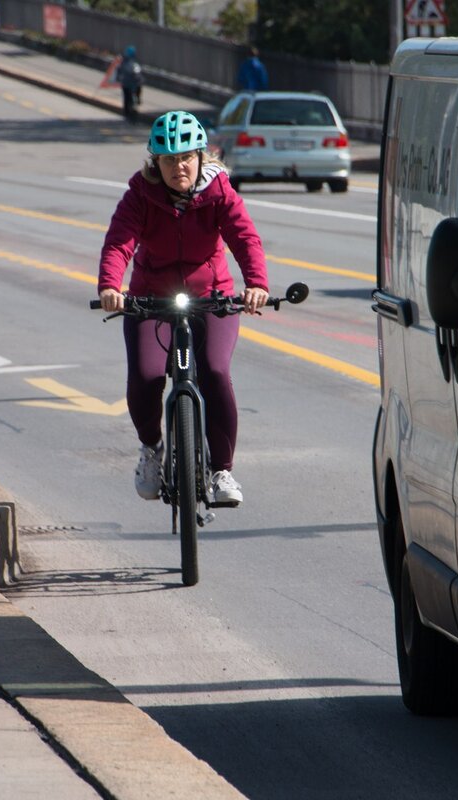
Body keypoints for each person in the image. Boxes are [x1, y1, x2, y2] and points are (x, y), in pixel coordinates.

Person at [97, 110, 269, 506]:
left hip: (212, 297)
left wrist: (256, 284)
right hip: (151, 299)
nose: (180, 166)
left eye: (187, 156)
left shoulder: (219, 192)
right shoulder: (140, 194)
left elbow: (245, 238)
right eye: (170, 159)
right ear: (155, 162)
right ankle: (151, 449)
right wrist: (111, 286)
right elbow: (119, 242)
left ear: (201, 156)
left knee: (214, 370)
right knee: (145, 375)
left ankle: (222, 471)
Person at [115, 45, 143, 123]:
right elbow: (119, 71)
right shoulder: (124, 62)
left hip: (133, 83)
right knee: (127, 98)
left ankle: (137, 101)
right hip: (127, 84)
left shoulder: (133, 63)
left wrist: (138, 79)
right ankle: (127, 113)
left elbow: (138, 72)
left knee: (132, 94)